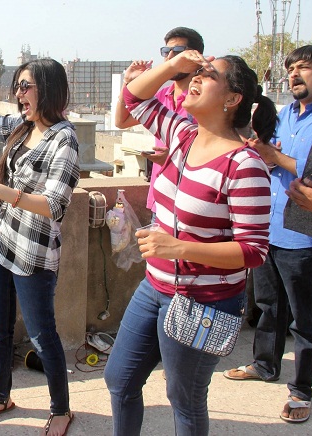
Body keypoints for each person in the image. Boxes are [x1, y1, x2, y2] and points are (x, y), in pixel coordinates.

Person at [103, 50, 277, 436]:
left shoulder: (244, 166)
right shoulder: (181, 135)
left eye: (208, 75)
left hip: (205, 301)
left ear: (232, 99)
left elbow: (253, 251)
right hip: (155, 287)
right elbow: (132, 99)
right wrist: (170, 67)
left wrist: (178, 247)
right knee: (120, 379)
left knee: (184, 399)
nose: (195, 80)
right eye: (195, 74)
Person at [0, 58, 80, 436]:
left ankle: (61, 409)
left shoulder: (64, 138)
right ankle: (0, 396)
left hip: (32, 254)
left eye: (26, 85)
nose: (19, 93)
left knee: (42, 335)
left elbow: (53, 205)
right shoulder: (21, 126)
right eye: (17, 86)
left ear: (48, 89)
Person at [223, 45, 312, 424]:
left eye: (303, 68)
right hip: (267, 228)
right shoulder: (282, 114)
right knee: (269, 306)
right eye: (291, 69)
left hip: (304, 233)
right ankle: (264, 365)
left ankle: (301, 390)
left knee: (304, 318)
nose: (294, 75)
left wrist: (275, 157)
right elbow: (268, 154)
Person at [115, 27, 204, 223]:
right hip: (160, 199)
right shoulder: (161, 96)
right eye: (166, 52)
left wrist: (174, 157)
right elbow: (121, 121)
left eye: (178, 52)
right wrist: (128, 82)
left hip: (193, 203)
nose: (170, 57)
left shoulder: (203, 99)